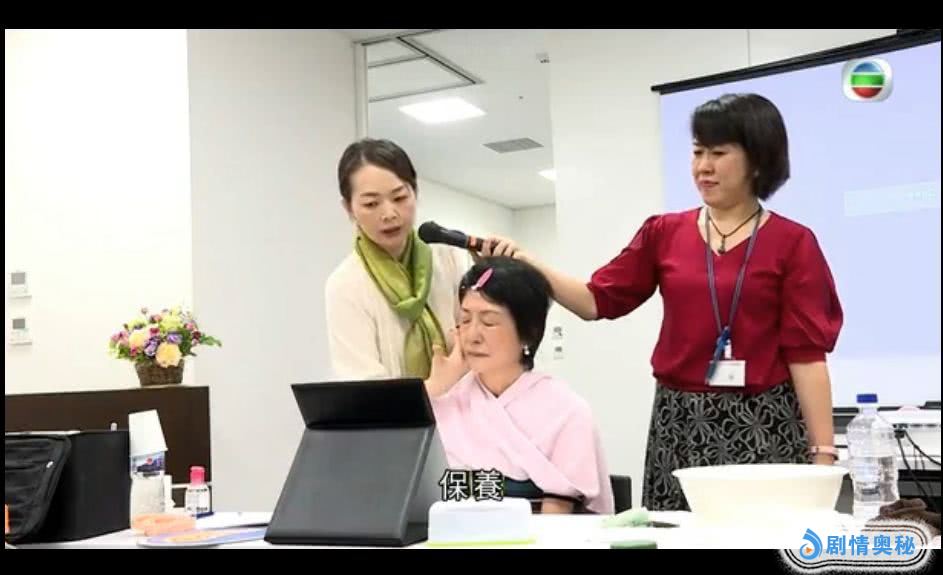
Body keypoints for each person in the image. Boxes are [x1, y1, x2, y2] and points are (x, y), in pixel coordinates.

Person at [478, 93, 844, 511]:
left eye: (718, 153)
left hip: (764, 421)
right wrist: (528, 263)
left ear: (758, 159)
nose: (703, 166)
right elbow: (596, 301)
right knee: (677, 533)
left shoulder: (793, 242)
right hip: (679, 422)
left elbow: (807, 357)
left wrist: (823, 454)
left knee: (762, 532)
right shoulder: (663, 233)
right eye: (697, 152)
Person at [429, 257, 615, 515]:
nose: (472, 336)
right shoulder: (444, 401)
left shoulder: (567, 412)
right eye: (465, 320)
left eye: (488, 322)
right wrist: (433, 388)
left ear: (529, 332)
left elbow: (556, 519)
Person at [325, 138, 470, 386]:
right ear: (348, 208)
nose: (389, 214)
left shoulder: (447, 258)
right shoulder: (346, 285)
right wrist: (436, 388)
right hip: (395, 413)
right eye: (371, 204)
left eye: (400, 197)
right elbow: (364, 389)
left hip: (464, 407)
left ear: (415, 192)